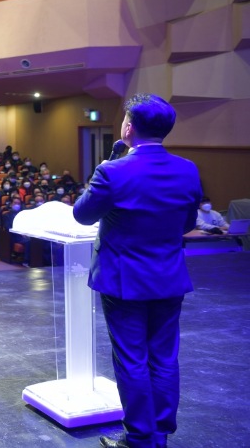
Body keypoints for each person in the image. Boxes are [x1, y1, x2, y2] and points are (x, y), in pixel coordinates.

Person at [73, 94, 201, 448]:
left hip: (123, 279)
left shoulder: (113, 171)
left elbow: (82, 214)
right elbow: (187, 222)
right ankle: (158, 432)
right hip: (169, 276)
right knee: (163, 357)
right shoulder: (188, 169)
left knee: (132, 360)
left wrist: (109, 163)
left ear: (128, 127)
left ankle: (140, 438)